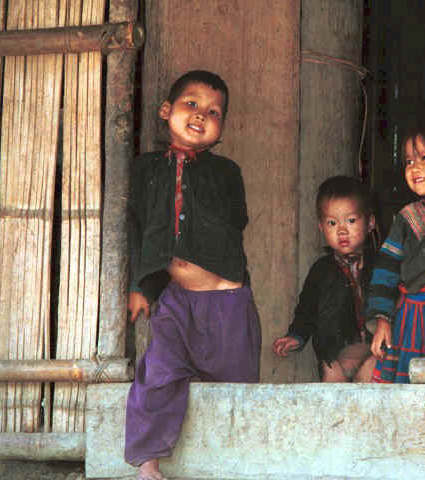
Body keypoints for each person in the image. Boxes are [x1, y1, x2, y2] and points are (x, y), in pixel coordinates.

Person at [125, 70, 261, 480]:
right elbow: (136, 227)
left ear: (222, 128)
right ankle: (148, 464)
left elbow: (236, 219)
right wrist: (138, 286)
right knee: (159, 372)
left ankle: (237, 465)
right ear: (166, 111)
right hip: (174, 297)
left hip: (227, 300)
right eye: (191, 104)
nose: (202, 114)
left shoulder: (226, 172)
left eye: (214, 111)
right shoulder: (146, 169)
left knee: (235, 383)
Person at [272, 176, 377, 382]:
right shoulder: (321, 270)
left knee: (367, 402)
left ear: (370, 222)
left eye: (351, 220)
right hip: (334, 358)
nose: (342, 230)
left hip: (372, 354)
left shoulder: (382, 266)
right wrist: (296, 336)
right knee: (333, 407)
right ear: (321, 227)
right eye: (332, 223)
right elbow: (307, 310)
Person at [365, 118, 425, 383]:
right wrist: (383, 321)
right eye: (409, 161)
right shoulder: (408, 218)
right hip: (414, 319)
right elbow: (385, 272)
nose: (415, 167)